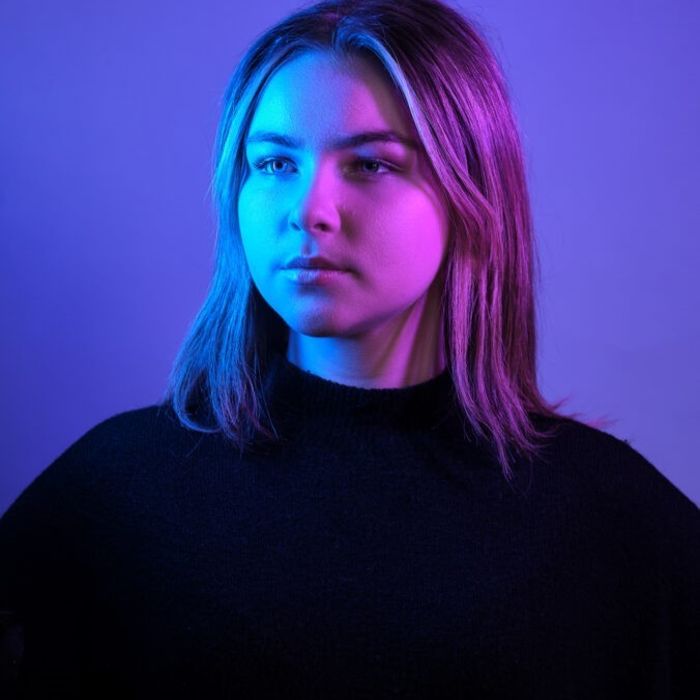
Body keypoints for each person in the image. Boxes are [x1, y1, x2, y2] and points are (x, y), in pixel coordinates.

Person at [1, 0, 698, 697]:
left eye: (369, 165)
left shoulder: (607, 520)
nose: (309, 210)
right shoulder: (113, 498)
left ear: (473, 196)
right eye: (275, 163)